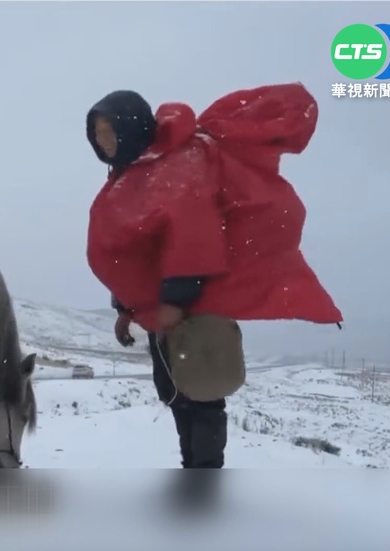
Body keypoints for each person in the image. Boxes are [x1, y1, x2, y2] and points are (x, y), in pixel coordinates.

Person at [83, 84, 343, 496]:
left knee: (201, 398)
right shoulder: (130, 176)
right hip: (160, 311)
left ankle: (205, 486)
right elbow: (134, 254)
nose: (104, 141)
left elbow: (194, 233)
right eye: (97, 134)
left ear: (131, 126)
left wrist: (176, 300)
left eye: (109, 130)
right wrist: (124, 307)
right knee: (177, 396)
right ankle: (194, 475)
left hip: (195, 308)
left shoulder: (178, 164)